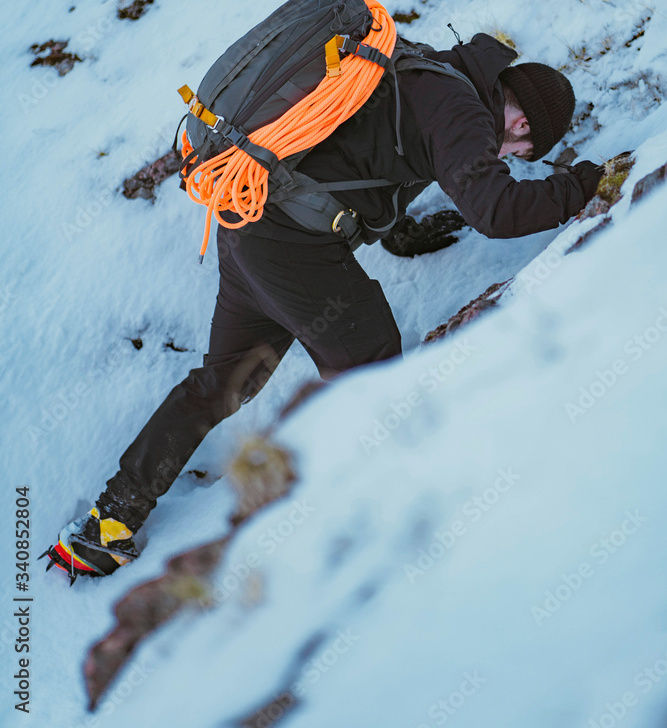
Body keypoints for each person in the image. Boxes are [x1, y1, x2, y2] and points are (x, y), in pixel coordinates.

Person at [42, 32, 604, 580]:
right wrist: (584, 187)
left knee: (221, 381)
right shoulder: (464, 112)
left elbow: (372, 158)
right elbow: (497, 210)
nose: (506, 156)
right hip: (291, 246)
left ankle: (109, 521)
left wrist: (405, 237)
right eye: (519, 151)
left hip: (250, 223)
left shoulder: (424, 67)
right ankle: (370, 528)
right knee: (373, 369)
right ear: (522, 122)